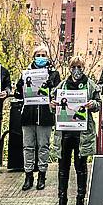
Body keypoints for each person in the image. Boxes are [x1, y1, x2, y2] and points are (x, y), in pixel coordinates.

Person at [51, 56, 100, 205]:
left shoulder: (90, 84)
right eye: (73, 67)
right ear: (69, 68)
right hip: (64, 133)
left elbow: (98, 103)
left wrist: (93, 104)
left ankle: (80, 199)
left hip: (82, 134)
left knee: (81, 168)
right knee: (63, 169)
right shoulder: (62, 85)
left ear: (83, 68)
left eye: (79, 67)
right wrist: (52, 105)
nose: (76, 70)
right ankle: (62, 200)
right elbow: (52, 101)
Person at [14, 45, 61, 191]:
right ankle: (28, 176)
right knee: (28, 146)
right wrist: (21, 85)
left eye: (43, 55)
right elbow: (18, 94)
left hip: (45, 115)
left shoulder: (54, 74)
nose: (40, 58)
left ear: (47, 57)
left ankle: (42, 175)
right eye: (38, 55)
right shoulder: (26, 73)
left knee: (43, 146)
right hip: (28, 114)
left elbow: (58, 93)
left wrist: (51, 87)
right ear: (33, 57)